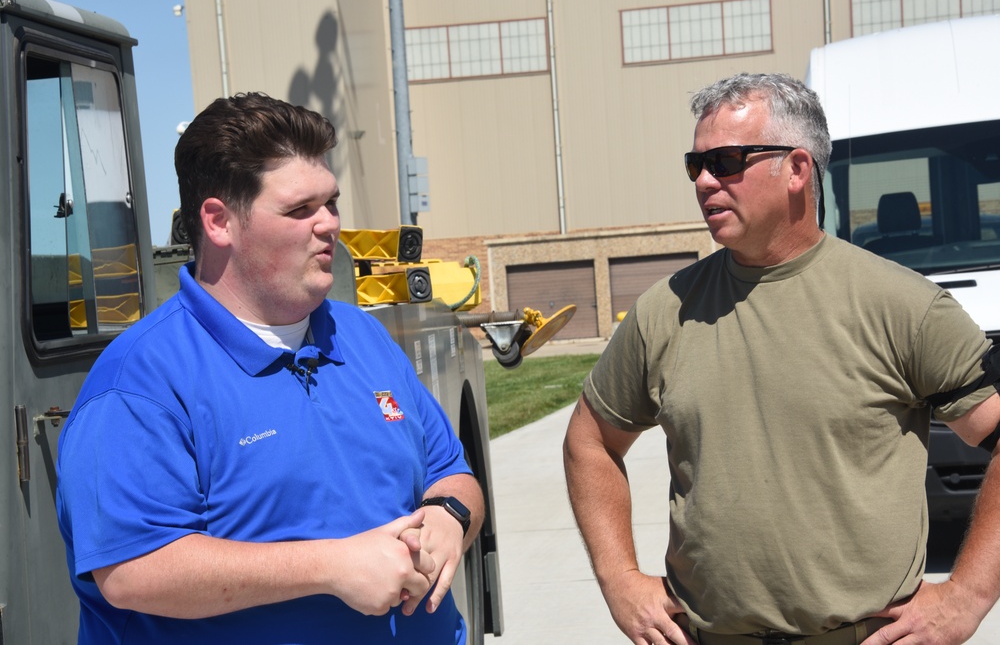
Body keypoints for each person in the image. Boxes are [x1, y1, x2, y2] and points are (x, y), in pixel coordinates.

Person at [563, 73, 1000, 645]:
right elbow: (589, 441)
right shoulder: (665, 311)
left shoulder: (904, 306)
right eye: (695, 164)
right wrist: (618, 579)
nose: (703, 181)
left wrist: (966, 597)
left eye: (726, 160)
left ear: (797, 169)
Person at [56, 92, 484, 644]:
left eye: (331, 203)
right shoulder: (140, 383)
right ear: (219, 222)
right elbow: (133, 570)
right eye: (300, 209)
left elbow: (452, 471)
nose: (329, 224)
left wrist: (449, 514)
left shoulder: (363, 338)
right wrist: (331, 568)